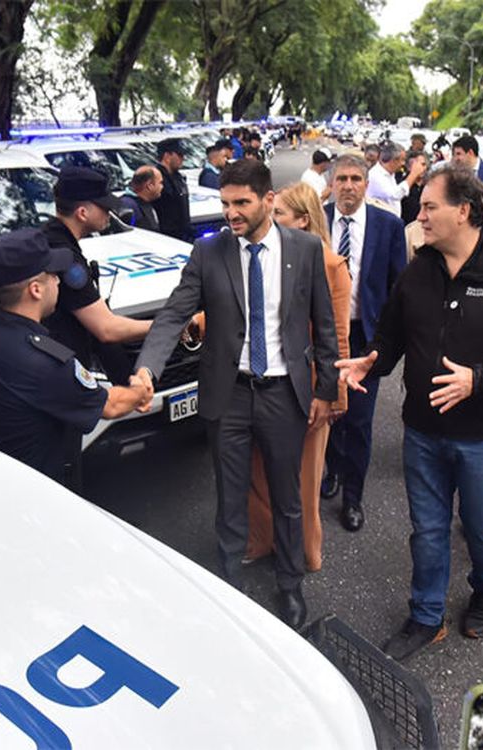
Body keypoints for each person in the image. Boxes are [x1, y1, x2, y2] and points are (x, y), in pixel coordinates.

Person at [335, 164, 483, 660]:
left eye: (430, 206)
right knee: (428, 528)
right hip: (423, 431)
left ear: (465, 211)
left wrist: (478, 380)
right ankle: (426, 614)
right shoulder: (419, 271)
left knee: (482, 526)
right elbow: (390, 335)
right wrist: (372, 362)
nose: (421, 215)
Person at [133, 159, 339, 631]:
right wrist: (147, 368)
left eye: (241, 203)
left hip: (285, 393)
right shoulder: (209, 254)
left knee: (288, 497)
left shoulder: (305, 249)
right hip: (229, 395)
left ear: (269, 200)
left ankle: (290, 584)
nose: (231, 213)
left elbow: (325, 326)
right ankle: (229, 582)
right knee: (229, 496)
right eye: (226, 203)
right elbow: (173, 315)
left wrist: (326, 390)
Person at [0, 228, 151, 484]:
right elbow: (110, 405)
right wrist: (139, 390)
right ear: (36, 289)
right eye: (53, 274)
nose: (59, 281)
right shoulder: (46, 362)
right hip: (38, 497)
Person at [244, 182, 351, 571]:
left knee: (305, 479)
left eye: (280, 215)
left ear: (303, 221)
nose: (270, 221)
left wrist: (334, 395)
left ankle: (306, 553)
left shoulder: (329, 263)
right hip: (261, 383)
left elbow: (337, 336)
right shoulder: (264, 254)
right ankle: (262, 539)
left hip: (307, 389)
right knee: (257, 467)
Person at [322, 154, 408, 532]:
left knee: (358, 419)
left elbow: (397, 288)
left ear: (366, 184)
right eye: (342, 178)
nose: (349, 186)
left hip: (364, 336)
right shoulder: (317, 221)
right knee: (326, 411)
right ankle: (332, 469)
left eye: (356, 178)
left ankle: (352, 497)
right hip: (323, 335)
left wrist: (386, 342)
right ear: (332, 182)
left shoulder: (388, 226)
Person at [42, 166, 153, 381]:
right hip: (60, 377)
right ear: (82, 213)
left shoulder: (49, 239)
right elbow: (106, 329)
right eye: (104, 207)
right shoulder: (63, 256)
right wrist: (171, 325)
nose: (109, 213)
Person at [366, 141, 426, 217]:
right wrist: (413, 174)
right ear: (394, 160)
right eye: (402, 160)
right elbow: (395, 195)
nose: (403, 163)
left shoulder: (390, 175)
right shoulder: (376, 175)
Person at [152, 138, 192, 241]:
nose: (183, 159)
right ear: (167, 156)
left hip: (183, 234)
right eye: (179, 155)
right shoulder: (155, 178)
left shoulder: (178, 177)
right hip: (166, 236)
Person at [120, 165, 163, 232]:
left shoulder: (146, 203)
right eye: (160, 183)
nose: (162, 187)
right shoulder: (128, 205)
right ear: (149, 186)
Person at [400, 150, 429, 225]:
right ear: (409, 167)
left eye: (424, 165)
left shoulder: (428, 186)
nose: (422, 168)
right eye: (418, 165)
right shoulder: (402, 186)